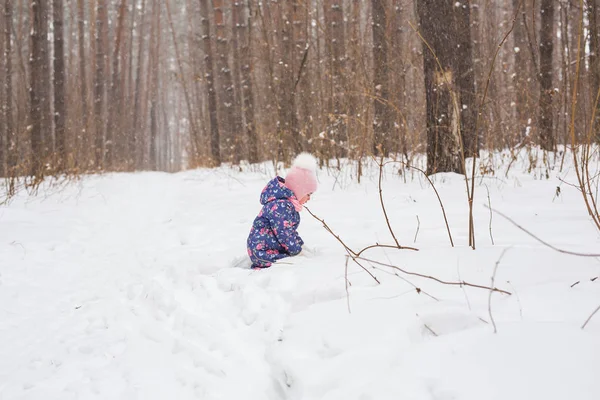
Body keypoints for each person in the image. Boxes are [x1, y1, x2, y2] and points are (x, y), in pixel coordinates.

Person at [246, 152, 318, 269]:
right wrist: (297, 252)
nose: (309, 198)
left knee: (295, 259)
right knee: (294, 263)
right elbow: (284, 232)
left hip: (269, 249)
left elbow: (289, 231)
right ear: (299, 190)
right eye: (308, 194)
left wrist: (301, 246)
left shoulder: (286, 204)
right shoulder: (281, 206)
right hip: (262, 253)